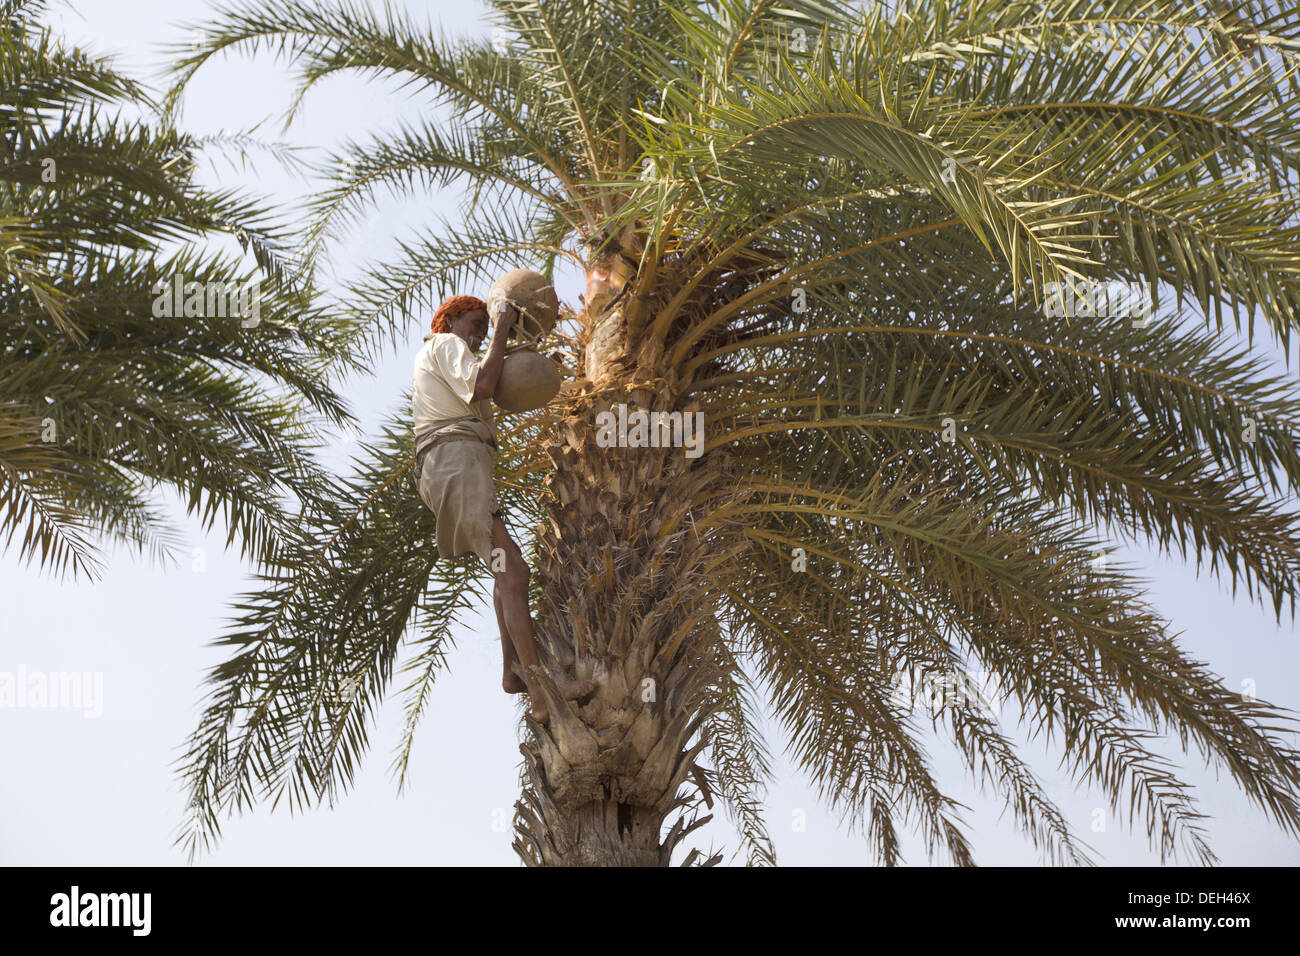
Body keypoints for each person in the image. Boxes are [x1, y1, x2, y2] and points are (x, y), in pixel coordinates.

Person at [412, 294, 595, 723]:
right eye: (474, 323)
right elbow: (483, 386)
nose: (478, 333)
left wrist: (512, 344)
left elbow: (493, 380)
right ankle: (539, 689)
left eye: (482, 326)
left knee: (507, 571)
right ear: (451, 319)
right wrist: (500, 325)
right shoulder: (444, 343)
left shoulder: (444, 356)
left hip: (458, 465)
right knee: (512, 572)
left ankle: (513, 672)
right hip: (455, 462)